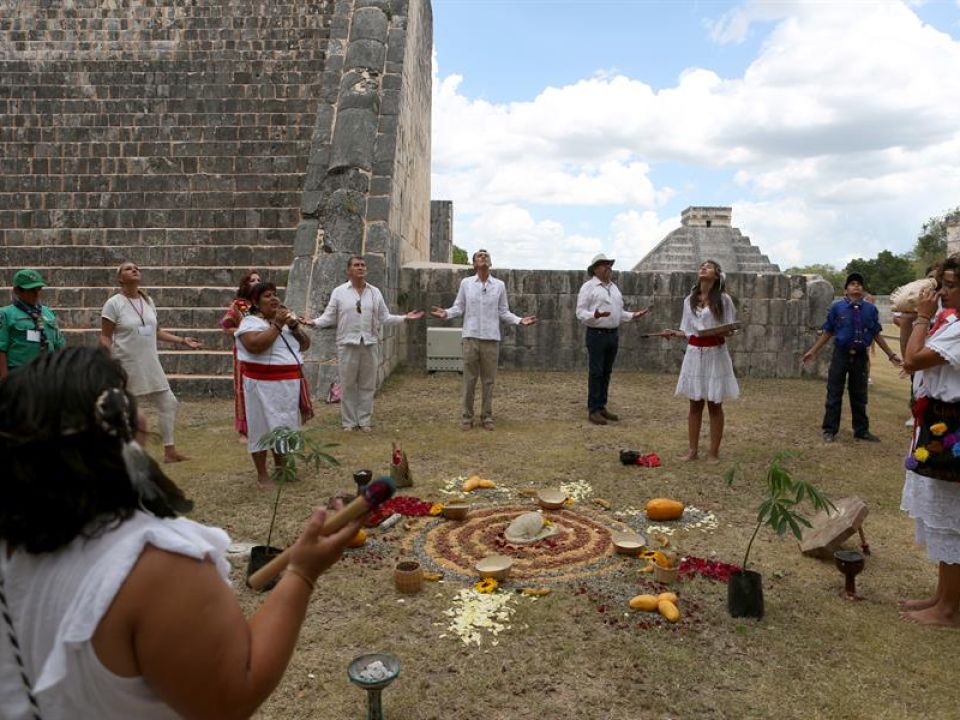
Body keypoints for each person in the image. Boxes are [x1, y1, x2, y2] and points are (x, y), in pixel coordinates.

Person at [0, 346, 362, 719]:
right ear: (123, 421)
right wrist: (302, 572)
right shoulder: (156, 566)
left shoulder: (12, 538)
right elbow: (233, 695)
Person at [899, 256, 960, 626]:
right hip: (938, 418)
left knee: (952, 516)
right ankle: (943, 597)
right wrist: (912, 319)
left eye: (951, 285)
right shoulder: (950, 324)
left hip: (952, 423)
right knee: (944, 512)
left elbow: (914, 358)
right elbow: (910, 360)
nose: (943, 292)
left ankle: (950, 608)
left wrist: (922, 317)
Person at [100, 262, 201, 463]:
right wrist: (106, 359)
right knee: (128, 411)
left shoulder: (148, 301)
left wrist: (182, 340)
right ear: (120, 278)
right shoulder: (114, 303)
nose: (134, 270)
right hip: (126, 364)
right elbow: (105, 336)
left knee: (168, 403)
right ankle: (122, 454)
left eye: (136, 268)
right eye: (128, 269)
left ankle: (170, 451)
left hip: (150, 363)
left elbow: (156, 331)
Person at [310, 256, 424, 432]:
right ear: (349, 270)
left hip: (369, 343)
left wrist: (404, 317)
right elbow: (329, 317)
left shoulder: (374, 292)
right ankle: (349, 422)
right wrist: (313, 322)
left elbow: (384, 317)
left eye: (363, 265)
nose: (361, 268)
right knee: (348, 384)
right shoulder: (339, 292)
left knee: (367, 384)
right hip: (347, 343)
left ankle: (364, 420)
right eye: (356, 265)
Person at [430, 249, 536, 430]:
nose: (483, 257)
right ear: (474, 264)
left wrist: (519, 320)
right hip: (471, 337)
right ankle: (466, 417)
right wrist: (447, 313)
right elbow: (459, 307)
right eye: (479, 255)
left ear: (490, 263)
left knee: (488, 381)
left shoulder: (499, 285)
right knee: (469, 380)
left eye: (486, 255)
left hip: (491, 338)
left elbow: (503, 311)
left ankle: (487, 416)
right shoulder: (466, 284)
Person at [801, 271, 901, 442]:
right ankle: (830, 430)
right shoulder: (837, 308)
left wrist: (891, 355)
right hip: (841, 355)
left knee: (859, 394)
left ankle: (861, 430)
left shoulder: (870, 310)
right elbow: (828, 332)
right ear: (846, 289)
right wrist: (813, 351)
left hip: (861, 356)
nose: (857, 286)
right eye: (853, 283)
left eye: (859, 284)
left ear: (863, 290)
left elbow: (876, 333)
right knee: (834, 393)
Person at [235, 282, 313, 486]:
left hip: (287, 385)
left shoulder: (286, 323)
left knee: (284, 426)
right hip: (261, 385)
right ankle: (262, 474)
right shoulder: (249, 322)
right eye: (268, 296)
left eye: (275, 295)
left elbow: (305, 345)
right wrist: (277, 325)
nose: (274, 299)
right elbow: (255, 346)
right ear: (256, 302)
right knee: (260, 427)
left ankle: (282, 467)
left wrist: (294, 327)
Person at [661, 260, 740, 462]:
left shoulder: (724, 300)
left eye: (709, 266)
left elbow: (731, 329)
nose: (703, 268)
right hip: (695, 353)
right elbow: (687, 330)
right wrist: (674, 333)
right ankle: (692, 450)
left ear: (716, 275)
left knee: (714, 404)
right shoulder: (689, 300)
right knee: (695, 404)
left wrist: (723, 330)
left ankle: (713, 452)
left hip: (715, 353)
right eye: (702, 266)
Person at [575, 253, 648, 425]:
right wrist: (595, 314)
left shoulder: (614, 288)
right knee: (596, 372)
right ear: (595, 269)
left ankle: (601, 406)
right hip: (596, 334)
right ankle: (593, 409)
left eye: (610, 265)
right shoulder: (588, 287)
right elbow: (580, 313)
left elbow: (618, 313)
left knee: (606, 372)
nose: (608, 268)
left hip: (612, 334)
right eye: (604, 265)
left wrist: (632, 315)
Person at [0, 268, 66, 378]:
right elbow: (1, 350)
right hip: (20, 374)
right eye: (31, 290)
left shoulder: (47, 312)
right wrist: (4, 381)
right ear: (17, 291)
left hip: (47, 373)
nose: (36, 294)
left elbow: (59, 343)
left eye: (38, 289)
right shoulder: (6, 315)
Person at [219, 270, 262, 438]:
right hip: (243, 351)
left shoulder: (264, 304)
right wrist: (244, 331)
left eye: (259, 280)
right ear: (246, 284)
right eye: (253, 280)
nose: (257, 282)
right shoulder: (240, 305)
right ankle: (244, 430)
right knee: (242, 388)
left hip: (262, 350)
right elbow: (226, 326)